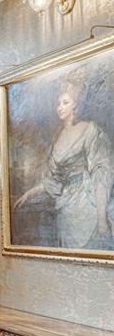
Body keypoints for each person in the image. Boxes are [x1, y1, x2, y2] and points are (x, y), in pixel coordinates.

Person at [13, 71, 113, 250]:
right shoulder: (58, 139)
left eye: (65, 102)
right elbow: (53, 180)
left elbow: (101, 172)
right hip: (66, 212)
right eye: (58, 103)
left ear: (76, 105)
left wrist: (101, 219)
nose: (60, 107)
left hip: (87, 205)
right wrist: (28, 194)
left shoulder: (89, 130)